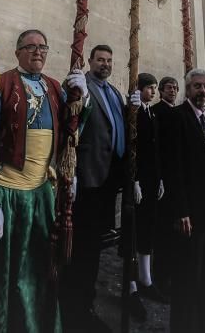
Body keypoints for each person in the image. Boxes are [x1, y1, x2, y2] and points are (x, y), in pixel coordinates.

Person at [0, 29, 90, 333]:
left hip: (41, 194)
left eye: (43, 48)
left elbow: (74, 127)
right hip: (6, 194)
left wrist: (84, 98)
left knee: (35, 271)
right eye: (30, 47)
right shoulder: (1, 84)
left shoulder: (56, 88)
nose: (38, 52)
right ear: (17, 51)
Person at [61, 44, 140, 333]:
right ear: (90, 61)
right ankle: (75, 307)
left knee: (95, 246)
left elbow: (120, 130)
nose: (105, 64)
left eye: (109, 60)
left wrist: (133, 108)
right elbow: (70, 115)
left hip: (110, 181)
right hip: (89, 178)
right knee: (83, 248)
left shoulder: (113, 93)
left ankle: (86, 301)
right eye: (100, 60)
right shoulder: (82, 87)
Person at [161, 68, 205, 333]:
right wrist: (181, 210)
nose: (203, 91)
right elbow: (174, 167)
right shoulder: (177, 119)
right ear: (188, 89)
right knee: (188, 277)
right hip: (191, 213)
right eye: (197, 87)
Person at [129, 73, 166, 320]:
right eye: (149, 88)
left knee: (148, 228)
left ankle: (146, 277)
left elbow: (155, 148)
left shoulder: (150, 113)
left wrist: (160, 177)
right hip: (138, 180)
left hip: (152, 180)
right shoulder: (133, 113)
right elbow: (131, 147)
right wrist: (133, 180)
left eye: (154, 88)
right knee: (132, 232)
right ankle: (130, 285)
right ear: (139, 89)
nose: (152, 92)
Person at [153, 75, 179, 292]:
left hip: (176, 178)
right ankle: (161, 276)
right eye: (169, 88)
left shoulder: (177, 113)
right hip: (164, 177)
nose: (173, 91)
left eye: (175, 88)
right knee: (163, 229)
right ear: (160, 91)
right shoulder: (157, 112)